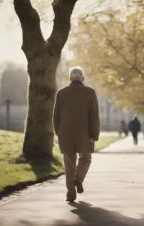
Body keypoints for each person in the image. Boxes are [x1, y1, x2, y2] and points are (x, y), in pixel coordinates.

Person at [53, 66, 100, 202]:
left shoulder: (61, 93)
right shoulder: (90, 92)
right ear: (82, 78)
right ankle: (78, 179)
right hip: (84, 133)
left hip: (65, 133)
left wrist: (58, 131)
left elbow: (56, 116)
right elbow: (94, 116)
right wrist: (94, 134)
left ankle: (70, 194)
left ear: (70, 78)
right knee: (86, 158)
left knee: (69, 164)